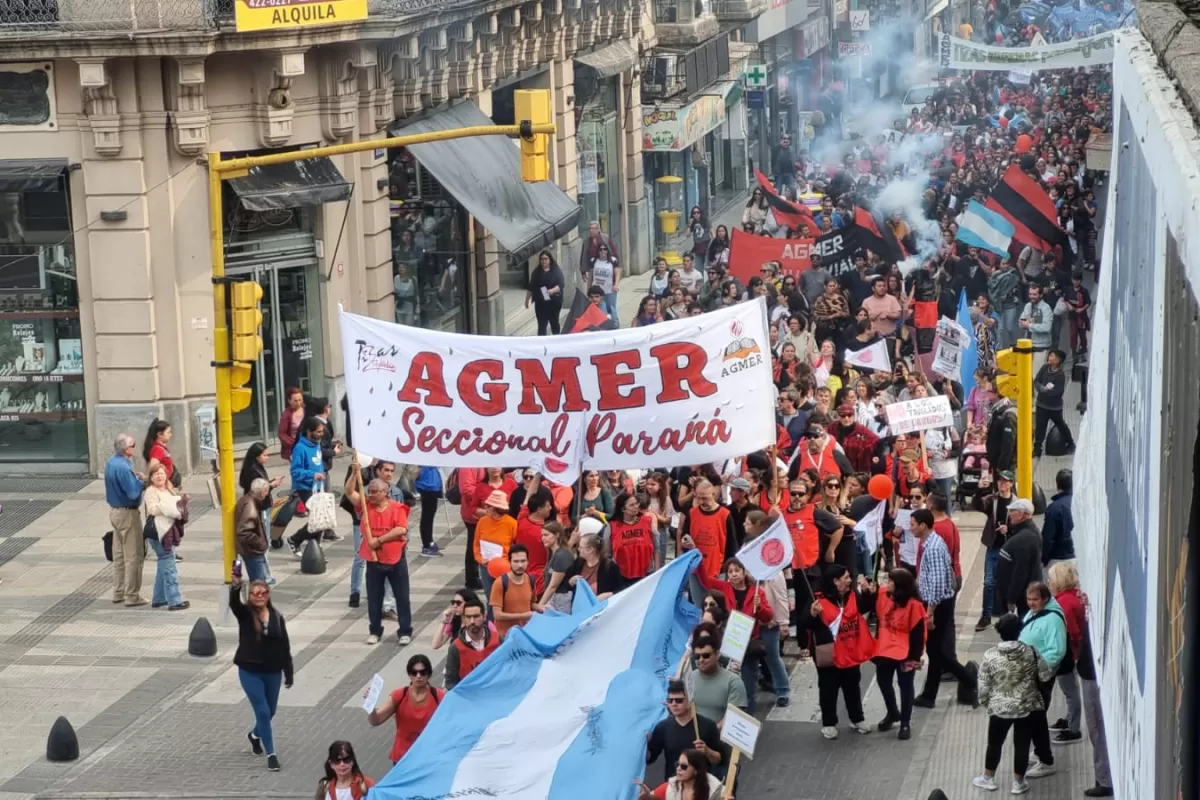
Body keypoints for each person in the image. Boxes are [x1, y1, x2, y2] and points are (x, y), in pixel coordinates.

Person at [972, 613, 1056, 794]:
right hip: (1026, 706)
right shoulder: (1031, 651)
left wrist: (986, 702)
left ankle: (988, 777)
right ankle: (1018, 782)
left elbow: (984, 685)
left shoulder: (990, 655)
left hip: (1000, 707)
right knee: (1022, 745)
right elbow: (1045, 675)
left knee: (994, 743)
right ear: (1020, 631)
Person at [911, 509, 978, 708]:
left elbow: (939, 583)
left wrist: (930, 612)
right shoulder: (930, 542)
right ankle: (929, 695)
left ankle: (968, 678)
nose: (911, 527)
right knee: (934, 651)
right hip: (937, 603)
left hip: (937, 606)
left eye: (913, 523)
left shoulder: (932, 547)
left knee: (938, 652)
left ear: (923, 525)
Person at [230, 579, 293, 772]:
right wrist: (235, 587)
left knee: (270, 710)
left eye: (262, 593)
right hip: (250, 670)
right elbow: (234, 604)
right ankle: (271, 755)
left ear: (268, 595)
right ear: (249, 597)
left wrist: (288, 671)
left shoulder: (276, 616)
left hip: (272, 671)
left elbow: (284, 645)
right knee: (263, 711)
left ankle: (255, 735)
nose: (259, 596)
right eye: (254, 593)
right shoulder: (246, 615)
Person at [806, 564, 876, 739]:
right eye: (845, 578)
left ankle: (857, 718)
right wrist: (812, 614)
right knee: (828, 688)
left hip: (850, 650)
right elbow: (805, 623)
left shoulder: (852, 595)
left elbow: (865, 607)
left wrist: (869, 593)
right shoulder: (817, 599)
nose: (849, 580)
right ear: (835, 581)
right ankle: (829, 723)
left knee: (852, 686)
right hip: (828, 653)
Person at [343, 475, 414, 646]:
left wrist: (379, 540)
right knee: (374, 598)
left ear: (385, 492)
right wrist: (354, 471)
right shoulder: (365, 507)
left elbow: (401, 529)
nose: (371, 495)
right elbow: (348, 492)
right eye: (369, 491)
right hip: (373, 560)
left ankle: (405, 631)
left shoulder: (397, 508)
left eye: (375, 492)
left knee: (402, 597)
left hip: (396, 559)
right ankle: (374, 630)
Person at [1018, 581, 1068, 779]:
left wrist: (1037, 667)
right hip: (1031, 673)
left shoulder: (1053, 620)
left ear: (1045, 599)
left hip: (1041, 676)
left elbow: (1057, 650)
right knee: (1034, 718)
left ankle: (1044, 758)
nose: (1031, 603)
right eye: (1029, 599)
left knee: (1036, 718)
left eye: (1035, 600)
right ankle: (1039, 752)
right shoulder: (1036, 612)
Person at [872, 568, 925, 740]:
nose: (887, 584)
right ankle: (893, 712)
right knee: (883, 681)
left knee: (905, 687)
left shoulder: (914, 606)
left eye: (890, 581)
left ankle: (905, 722)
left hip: (905, 652)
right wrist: (867, 592)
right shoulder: (882, 594)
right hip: (885, 650)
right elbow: (867, 604)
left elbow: (918, 635)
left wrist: (913, 659)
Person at [368, 654, 445, 764]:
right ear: (409, 674)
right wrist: (371, 706)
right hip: (403, 758)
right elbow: (376, 720)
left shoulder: (439, 697)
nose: (418, 676)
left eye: (422, 672)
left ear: (428, 674)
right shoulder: (399, 695)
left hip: (429, 757)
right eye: (414, 672)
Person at [645, 680, 724, 786]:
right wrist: (643, 744)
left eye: (679, 700)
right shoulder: (663, 727)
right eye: (670, 700)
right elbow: (650, 758)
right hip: (674, 787)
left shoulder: (707, 725)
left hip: (701, 787)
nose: (674, 704)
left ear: (690, 700)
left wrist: (707, 751)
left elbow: (719, 759)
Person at [1047, 561, 1085, 746]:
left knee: (1070, 691)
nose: (1049, 583)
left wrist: (1075, 654)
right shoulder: (1069, 598)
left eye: (1051, 580)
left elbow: (1074, 632)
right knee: (1069, 690)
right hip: (1069, 652)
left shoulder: (1064, 604)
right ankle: (1070, 719)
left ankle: (1074, 728)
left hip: (1067, 654)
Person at [105, 434, 147, 606]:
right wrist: (142, 482)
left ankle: (118, 592)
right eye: (132, 445)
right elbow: (133, 493)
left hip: (114, 512)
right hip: (128, 513)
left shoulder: (111, 463)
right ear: (125, 449)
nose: (134, 448)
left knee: (119, 556)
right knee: (134, 556)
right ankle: (132, 595)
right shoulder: (123, 467)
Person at [143, 461, 188, 610]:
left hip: (169, 530)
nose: (159, 476)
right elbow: (152, 509)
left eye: (162, 473)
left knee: (163, 563)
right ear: (151, 477)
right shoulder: (151, 491)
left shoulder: (169, 489)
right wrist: (169, 507)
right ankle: (174, 600)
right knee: (169, 565)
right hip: (159, 533)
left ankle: (159, 598)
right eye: (156, 474)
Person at [684, 625, 748, 728]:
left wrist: (711, 734)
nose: (701, 660)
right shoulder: (688, 679)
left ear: (717, 654)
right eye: (697, 656)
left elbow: (734, 717)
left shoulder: (733, 682)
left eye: (706, 655)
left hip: (719, 740)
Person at [285, 416, 328, 557]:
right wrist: (312, 475)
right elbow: (295, 471)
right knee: (318, 520)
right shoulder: (300, 448)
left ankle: (315, 550)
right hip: (305, 488)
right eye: (319, 432)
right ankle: (295, 539)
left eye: (322, 431)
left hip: (318, 487)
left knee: (321, 520)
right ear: (309, 431)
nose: (321, 434)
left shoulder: (316, 444)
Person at [996, 499, 1043, 618]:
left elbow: (1020, 573)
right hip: (1023, 598)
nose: (1009, 514)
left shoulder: (1026, 538)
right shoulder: (1024, 533)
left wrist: (1011, 599)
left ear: (1021, 514)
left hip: (1022, 601)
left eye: (1012, 511)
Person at [444, 597, 500, 690]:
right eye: (468, 617)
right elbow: (450, 682)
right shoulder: (456, 648)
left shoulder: (498, 640)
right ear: (463, 618)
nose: (472, 621)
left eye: (476, 616)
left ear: (484, 616)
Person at [475, 489, 518, 607]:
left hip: (504, 567)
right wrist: (480, 559)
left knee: (506, 598)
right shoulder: (482, 522)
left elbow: (516, 546)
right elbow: (476, 545)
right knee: (490, 599)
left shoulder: (512, 524)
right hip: (485, 566)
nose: (485, 507)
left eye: (487, 506)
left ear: (495, 508)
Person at [239, 442, 285, 550]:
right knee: (265, 537)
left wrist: (270, 483)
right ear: (256, 456)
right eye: (264, 455)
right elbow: (256, 490)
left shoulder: (256, 468)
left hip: (262, 506)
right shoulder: (253, 471)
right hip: (261, 507)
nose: (267, 457)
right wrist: (271, 485)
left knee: (265, 534)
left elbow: (259, 487)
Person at [609, 491, 659, 582]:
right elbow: (607, 554)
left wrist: (657, 572)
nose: (636, 507)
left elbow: (656, 549)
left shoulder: (648, 521)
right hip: (621, 575)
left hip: (646, 573)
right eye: (632, 505)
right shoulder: (612, 526)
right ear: (623, 509)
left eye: (636, 503)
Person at [1033, 349, 1075, 457]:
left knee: (1060, 424)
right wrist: (1041, 388)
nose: (1050, 357)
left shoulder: (1060, 375)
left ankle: (1070, 443)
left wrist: (1048, 392)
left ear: (1058, 360)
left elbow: (1058, 391)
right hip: (1041, 404)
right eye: (1050, 355)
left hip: (1054, 407)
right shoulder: (1044, 368)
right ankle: (1037, 448)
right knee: (1040, 427)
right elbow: (1036, 380)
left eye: (1052, 356)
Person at [635, 748, 724, 800]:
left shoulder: (716, 791)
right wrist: (647, 797)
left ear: (696, 770)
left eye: (684, 766)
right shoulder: (671, 786)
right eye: (677, 764)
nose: (678, 769)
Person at [490, 543, 536, 639]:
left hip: (526, 633)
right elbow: (497, 615)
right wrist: (523, 616)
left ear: (528, 561)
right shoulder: (500, 583)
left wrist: (543, 607)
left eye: (523, 561)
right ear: (509, 562)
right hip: (506, 636)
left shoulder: (530, 580)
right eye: (516, 561)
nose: (520, 565)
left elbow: (531, 604)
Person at [235, 477, 272, 586]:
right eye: (266, 492)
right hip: (252, 552)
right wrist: (260, 543)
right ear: (263, 491)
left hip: (249, 550)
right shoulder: (250, 505)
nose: (266, 495)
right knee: (259, 583)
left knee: (258, 583)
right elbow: (244, 532)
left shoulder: (247, 500)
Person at [565, 533, 623, 600]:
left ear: (591, 549)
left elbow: (620, 589)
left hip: (601, 606)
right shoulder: (578, 563)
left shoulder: (609, 566)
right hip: (580, 606)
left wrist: (609, 594)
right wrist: (571, 581)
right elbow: (566, 584)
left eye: (581, 547)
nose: (578, 549)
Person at [1042, 468, 1075, 569]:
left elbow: (1048, 538)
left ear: (1057, 485)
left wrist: (1043, 559)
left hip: (1058, 560)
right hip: (1077, 556)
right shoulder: (1082, 504)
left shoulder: (1054, 508)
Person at [527, 250, 565, 335]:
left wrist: (551, 291)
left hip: (553, 302)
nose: (543, 261)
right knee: (541, 325)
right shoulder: (537, 272)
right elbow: (531, 286)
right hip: (541, 302)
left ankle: (556, 339)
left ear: (550, 259)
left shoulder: (556, 271)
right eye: (542, 259)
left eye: (545, 259)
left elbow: (560, 285)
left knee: (554, 323)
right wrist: (527, 300)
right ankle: (542, 342)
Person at [413, 466, 444, 558]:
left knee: (429, 516)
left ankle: (429, 541)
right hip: (428, 486)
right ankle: (427, 544)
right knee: (427, 517)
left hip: (431, 485)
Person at [142, 418, 178, 488]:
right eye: (168, 432)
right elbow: (153, 470)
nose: (170, 435)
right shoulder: (157, 449)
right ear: (159, 434)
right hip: (164, 486)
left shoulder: (161, 448)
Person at [276, 387, 305, 462]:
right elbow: (282, 433)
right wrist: (294, 444)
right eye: (295, 401)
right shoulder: (286, 414)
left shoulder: (307, 410)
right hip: (295, 447)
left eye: (300, 400)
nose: (298, 403)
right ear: (289, 401)